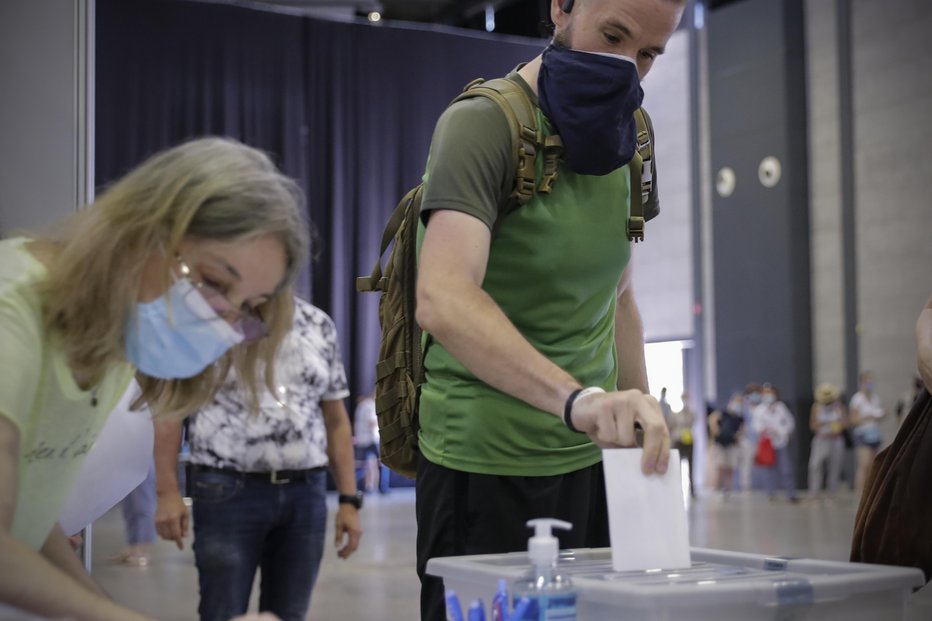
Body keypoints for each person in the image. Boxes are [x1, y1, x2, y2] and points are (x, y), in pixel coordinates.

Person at [412, 1, 685, 617]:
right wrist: (579, 400)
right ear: (561, 6)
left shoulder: (632, 135)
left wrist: (639, 428)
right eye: (612, 35)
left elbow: (620, 298)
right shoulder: (482, 124)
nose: (626, 67)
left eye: (647, 55)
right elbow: (443, 298)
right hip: (484, 464)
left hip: (588, 464)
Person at [0, 137, 308, 621]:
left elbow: (30, 525)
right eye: (214, 281)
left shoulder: (112, 336)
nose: (223, 322)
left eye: (248, 307)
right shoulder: (11, 309)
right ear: (143, 232)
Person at [154, 296, 362, 621]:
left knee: (290, 614)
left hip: (305, 493)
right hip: (226, 490)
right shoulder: (205, 322)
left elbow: (335, 418)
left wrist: (349, 500)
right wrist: (167, 492)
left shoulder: (317, 323)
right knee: (221, 610)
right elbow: (170, 409)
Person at [753, 384, 798, 503]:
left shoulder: (781, 407)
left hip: (780, 442)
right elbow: (757, 426)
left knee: (786, 469)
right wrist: (767, 429)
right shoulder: (759, 410)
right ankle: (770, 493)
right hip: (767, 444)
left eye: (770, 392)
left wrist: (783, 431)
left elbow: (790, 423)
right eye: (765, 393)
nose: (768, 395)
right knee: (768, 470)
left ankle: (791, 493)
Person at [807, 383, 847, 501]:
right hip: (821, 439)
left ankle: (832, 492)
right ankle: (814, 492)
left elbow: (845, 423)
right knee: (815, 465)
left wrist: (838, 426)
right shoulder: (816, 407)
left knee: (835, 466)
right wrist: (823, 424)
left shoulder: (839, 407)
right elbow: (812, 425)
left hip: (836, 440)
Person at [849, 371, 886, 494]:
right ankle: (860, 491)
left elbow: (879, 415)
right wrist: (867, 417)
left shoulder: (875, 397)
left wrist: (881, 416)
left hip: (874, 432)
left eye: (870, 380)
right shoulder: (857, 399)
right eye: (867, 380)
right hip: (863, 433)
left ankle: (870, 490)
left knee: (873, 464)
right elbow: (853, 419)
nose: (869, 383)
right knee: (864, 464)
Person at [708, 395, 743, 497]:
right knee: (720, 467)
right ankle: (716, 489)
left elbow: (741, 430)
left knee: (730, 468)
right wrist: (715, 431)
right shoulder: (723, 413)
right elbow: (711, 420)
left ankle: (728, 490)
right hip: (720, 444)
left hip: (731, 445)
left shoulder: (738, 418)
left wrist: (738, 437)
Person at [354, 393, 389, 494]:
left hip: (361, 440)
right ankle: (383, 488)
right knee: (383, 464)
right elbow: (371, 422)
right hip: (372, 440)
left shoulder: (360, 406)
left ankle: (358, 487)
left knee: (362, 465)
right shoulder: (370, 405)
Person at [669, 392, 695, 496]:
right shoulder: (675, 414)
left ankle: (692, 490)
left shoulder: (692, 414)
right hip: (678, 440)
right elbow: (671, 426)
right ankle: (677, 488)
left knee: (691, 465)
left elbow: (692, 422)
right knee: (677, 465)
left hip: (689, 441)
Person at [737, 383, 762, 491]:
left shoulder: (762, 406)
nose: (754, 395)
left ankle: (766, 485)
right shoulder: (744, 405)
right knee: (746, 463)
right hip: (747, 439)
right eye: (752, 393)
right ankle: (745, 486)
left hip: (761, 438)